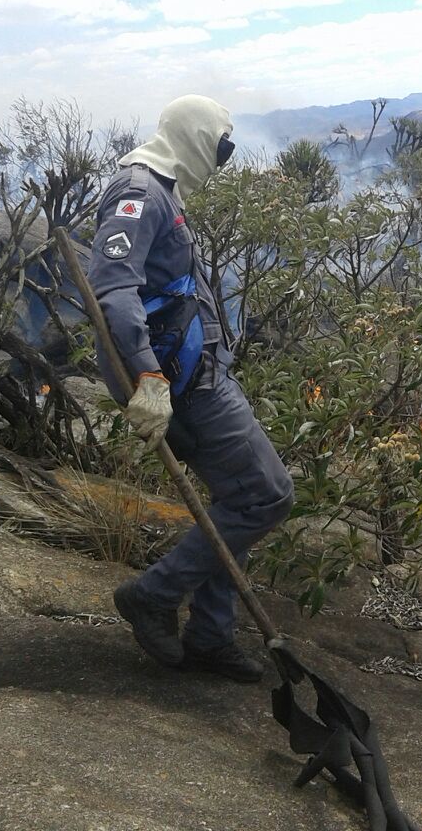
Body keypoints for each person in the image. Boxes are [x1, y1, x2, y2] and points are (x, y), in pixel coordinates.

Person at [87, 95, 293, 682]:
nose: (223, 159)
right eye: (221, 147)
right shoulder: (139, 193)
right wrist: (148, 378)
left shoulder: (163, 187)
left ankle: (209, 635)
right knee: (267, 494)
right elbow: (113, 292)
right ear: (196, 136)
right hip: (182, 380)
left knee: (240, 499)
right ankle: (154, 595)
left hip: (195, 370)